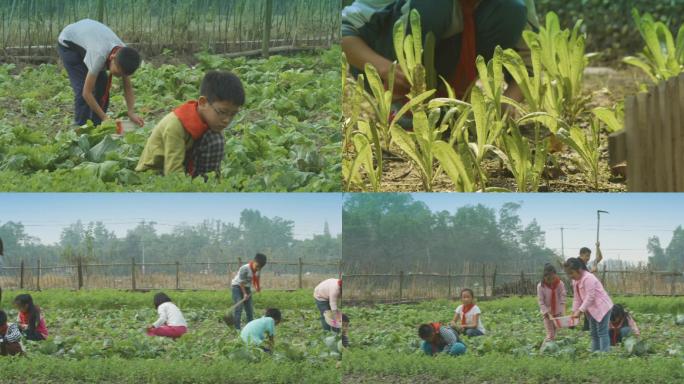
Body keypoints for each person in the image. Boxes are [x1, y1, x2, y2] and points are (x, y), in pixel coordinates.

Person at [342, 0, 540, 101]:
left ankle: (453, 97)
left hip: (449, 69)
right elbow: (343, 31)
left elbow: (529, 64)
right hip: (385, 70)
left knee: (511, 8)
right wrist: (384, 69)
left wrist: (508, 104)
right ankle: (402, 105)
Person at [136, 70, 244, 176]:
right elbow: (173, 171)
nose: (226, 120)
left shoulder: (211, 122)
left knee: (215, 139)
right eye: (222, 112)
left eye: (233, 114)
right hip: (154, 172)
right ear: (203, 103)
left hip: (183, 165)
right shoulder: (176, 124)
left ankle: (207, 184)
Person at [57, 19, 143, 126]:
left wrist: (131, 112)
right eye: (119, 73)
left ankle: (97, 125)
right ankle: (81, 129)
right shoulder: (99, 55)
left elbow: (128, 87)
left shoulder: (125, 55)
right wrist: (105, 117)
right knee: (82, 88)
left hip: (89, 37)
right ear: (113, 57)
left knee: (102, 84)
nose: (120, 76)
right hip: (68, 44)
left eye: (123, 75)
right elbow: (86, 93)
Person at [564, 257, 614, 352]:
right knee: (594, 333)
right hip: (591, 309)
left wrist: (580, 311)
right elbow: (577, 298)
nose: (570, 276)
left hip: (602, 307)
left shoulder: (588, 278)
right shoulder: (575, 281)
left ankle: (605, 355)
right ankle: (595, 353)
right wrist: (574, 311)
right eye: (568, 274)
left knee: (602, 332)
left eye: (571, 273)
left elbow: (590, 297)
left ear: (579, 270)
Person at [230, 253, 267, 330]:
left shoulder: (257, 269)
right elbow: (241, 282)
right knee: (239, 307)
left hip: (246, 288)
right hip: (237, 287)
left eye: (260, 268)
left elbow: (256, 279)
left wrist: (257, 287)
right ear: (253, 261)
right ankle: (237, 329)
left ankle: (250, 328)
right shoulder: (245, 268)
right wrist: (244, 294)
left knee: (249, 309)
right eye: (257, 266)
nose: (258, 269)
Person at [537, 263, 566, 342]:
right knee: (550, 334)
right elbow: (541, 301)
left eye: (553, 278)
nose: (551, 281)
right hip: (547, 314)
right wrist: (546, 312)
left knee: (556, 332)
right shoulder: (540, 286)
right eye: (548, 279)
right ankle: (543, 350)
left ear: (555, 275)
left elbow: (562, 298)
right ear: (544, 277)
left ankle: (552, 350)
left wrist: (562, 312)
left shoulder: (560, 284)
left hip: (557, 312)